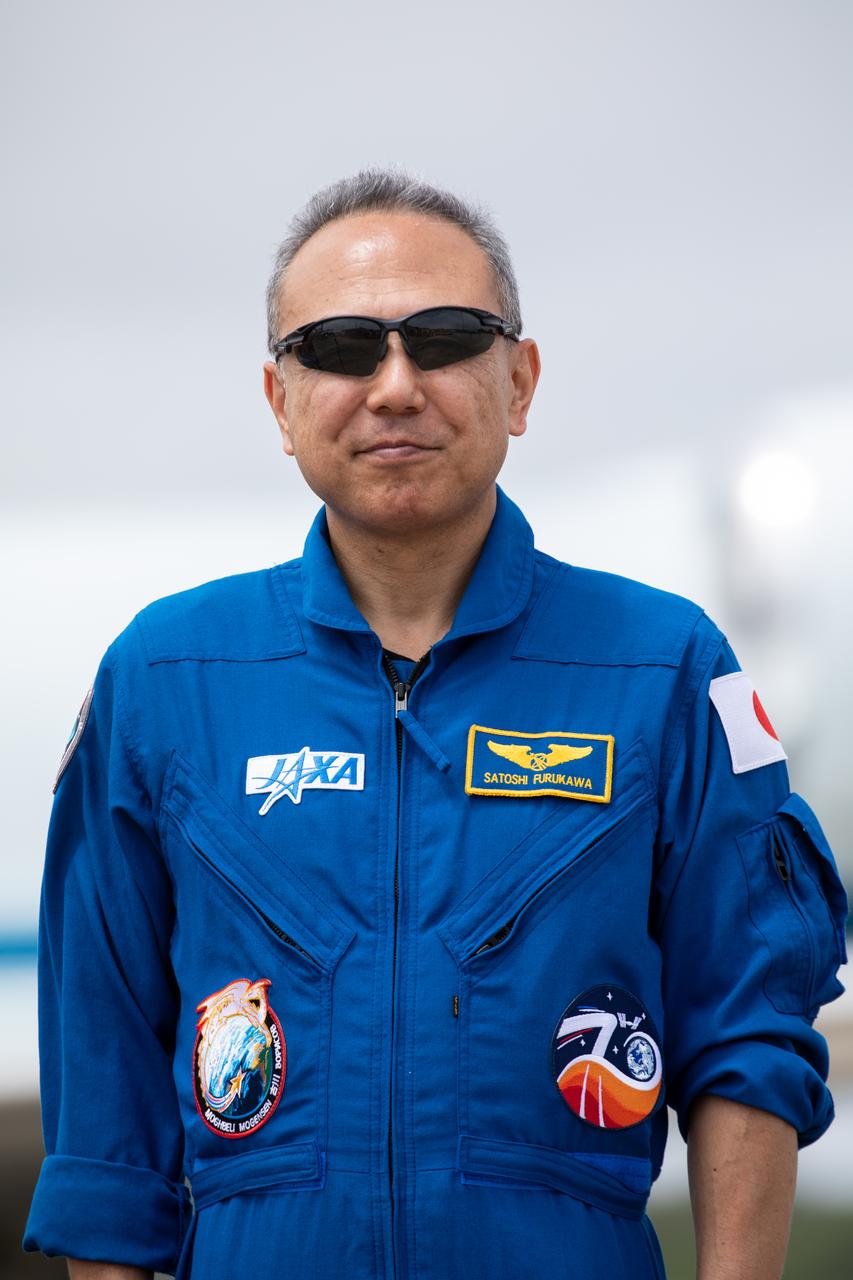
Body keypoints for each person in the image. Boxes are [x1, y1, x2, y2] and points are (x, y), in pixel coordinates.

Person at [24, 169, 847, 1280]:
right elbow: (105, 1098)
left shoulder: (664, 669)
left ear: (520, 379)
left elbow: (747, 1033)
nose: (395, 384)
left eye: (444, 337)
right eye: (342, 347)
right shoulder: (166, 679)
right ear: (279, 399)